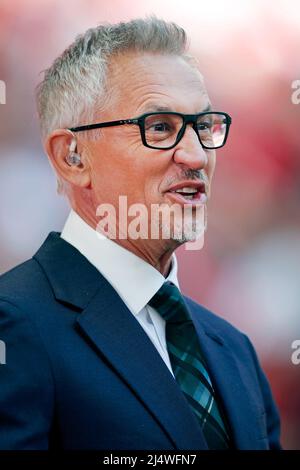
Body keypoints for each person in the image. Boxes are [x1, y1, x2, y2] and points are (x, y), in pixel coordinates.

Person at [0, 17, 281, 450]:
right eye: (160, 128)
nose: (196, 155)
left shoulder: (234, 348)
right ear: (72, 157)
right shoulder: (15, 324)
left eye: (204, 127)